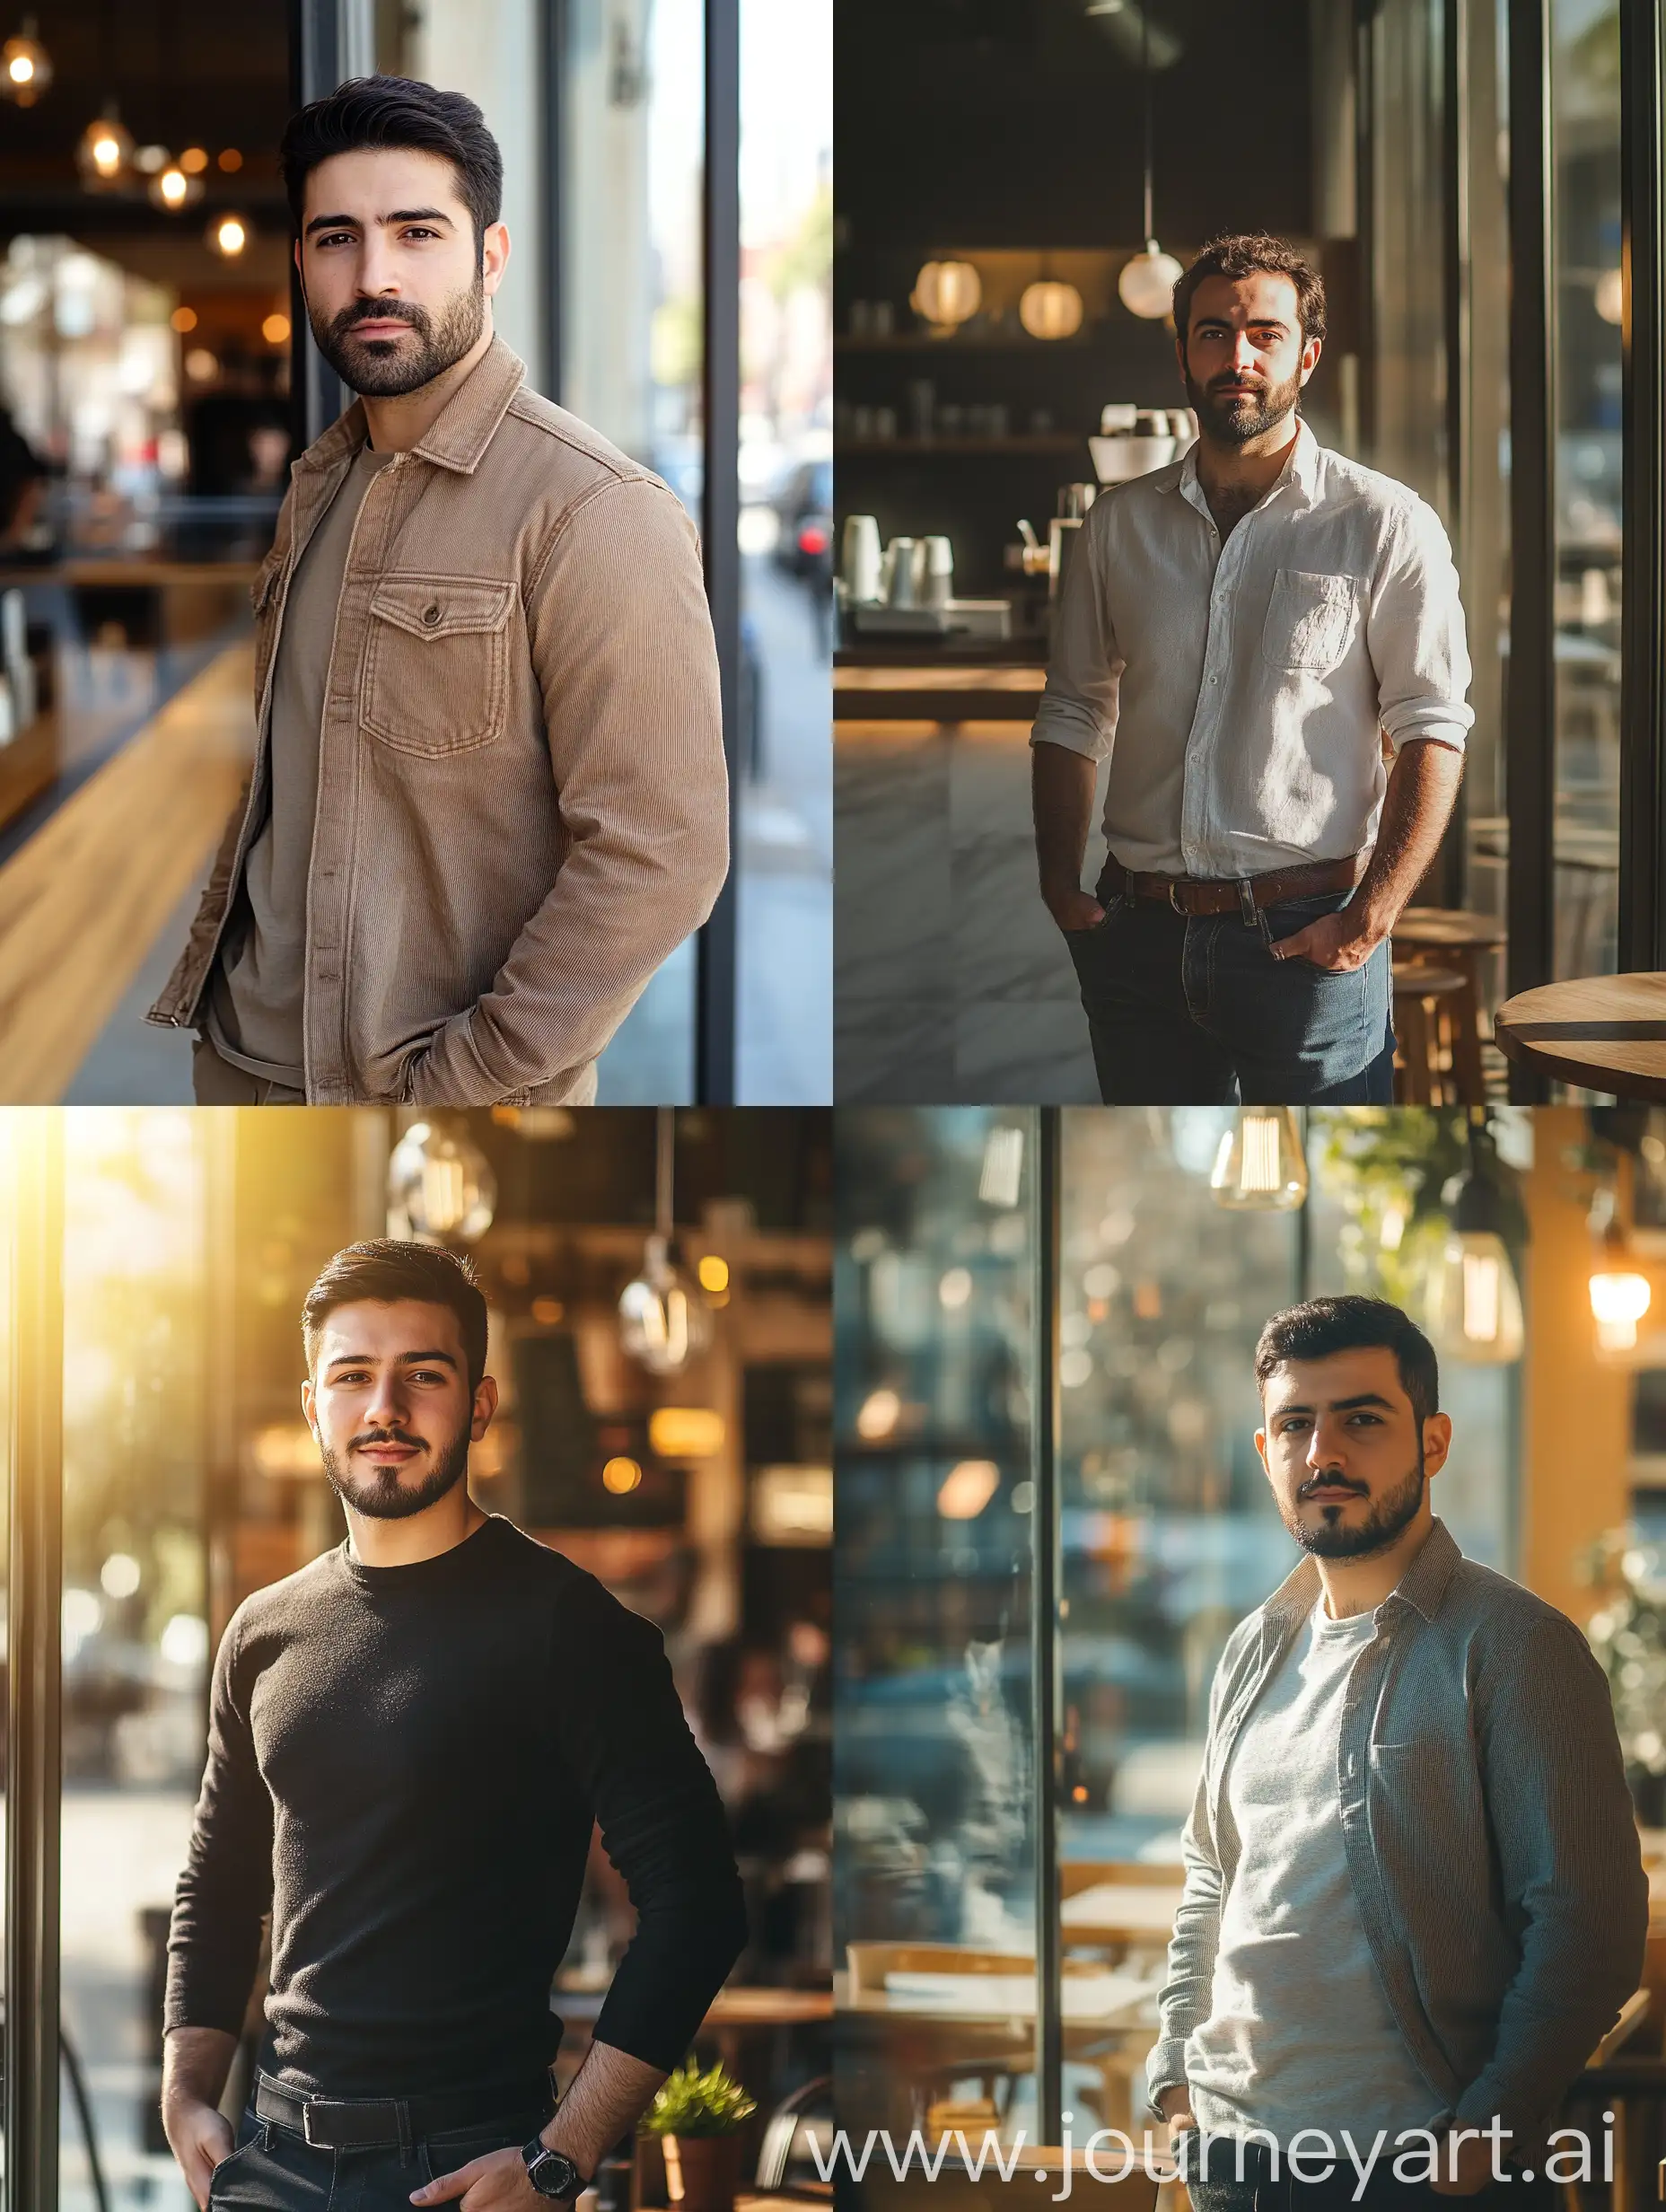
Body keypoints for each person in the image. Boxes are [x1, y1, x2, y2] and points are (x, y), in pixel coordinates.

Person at [149, 75, 728, 1105]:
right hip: (237, 1061)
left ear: (489, 257)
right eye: (337, 239)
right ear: (300, 263)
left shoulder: (595, 509)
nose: (374, 275)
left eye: (417, 233)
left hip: (424, 1093)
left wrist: (457, 1085)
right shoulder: (317, 488)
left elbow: (663, 852)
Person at [161, 1240, 748, 2212]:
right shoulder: (261, 1632)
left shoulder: (572, 1628)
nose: (383, 1408)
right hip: (266, 2164)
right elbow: (218, 1884)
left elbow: (699, 1906)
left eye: (421, 1376)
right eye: (352, 1376)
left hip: (468, 2171)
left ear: (477, 1404)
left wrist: (564, 2153)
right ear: (314, 1406)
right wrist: (185, 2092)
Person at [1147, 1295, 1646, 2212]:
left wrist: (1486, 2130)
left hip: (1416, 2173)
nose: (1322, 1452)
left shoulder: (1512, 1646)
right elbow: (1210, 1880)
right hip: (1230, 2159)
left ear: (1432, 1441)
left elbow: (1589, 1925)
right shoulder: (1253, 1647)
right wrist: (1175, 2070)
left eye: (1361, 1419)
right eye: (1294, 1423)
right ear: (1265, 1454)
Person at [1031, 233, 1472, 1104]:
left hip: (1307, 938)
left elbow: (1431, 727)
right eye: (1211, 334)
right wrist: (1059, 887)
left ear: (1304, 356)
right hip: (1137, 933)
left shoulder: (1383, 523)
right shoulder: (1115, 527)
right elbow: (1072, 713)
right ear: (1180, 354)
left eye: (1263, 335)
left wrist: (1368, 920)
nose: (1236, 357)